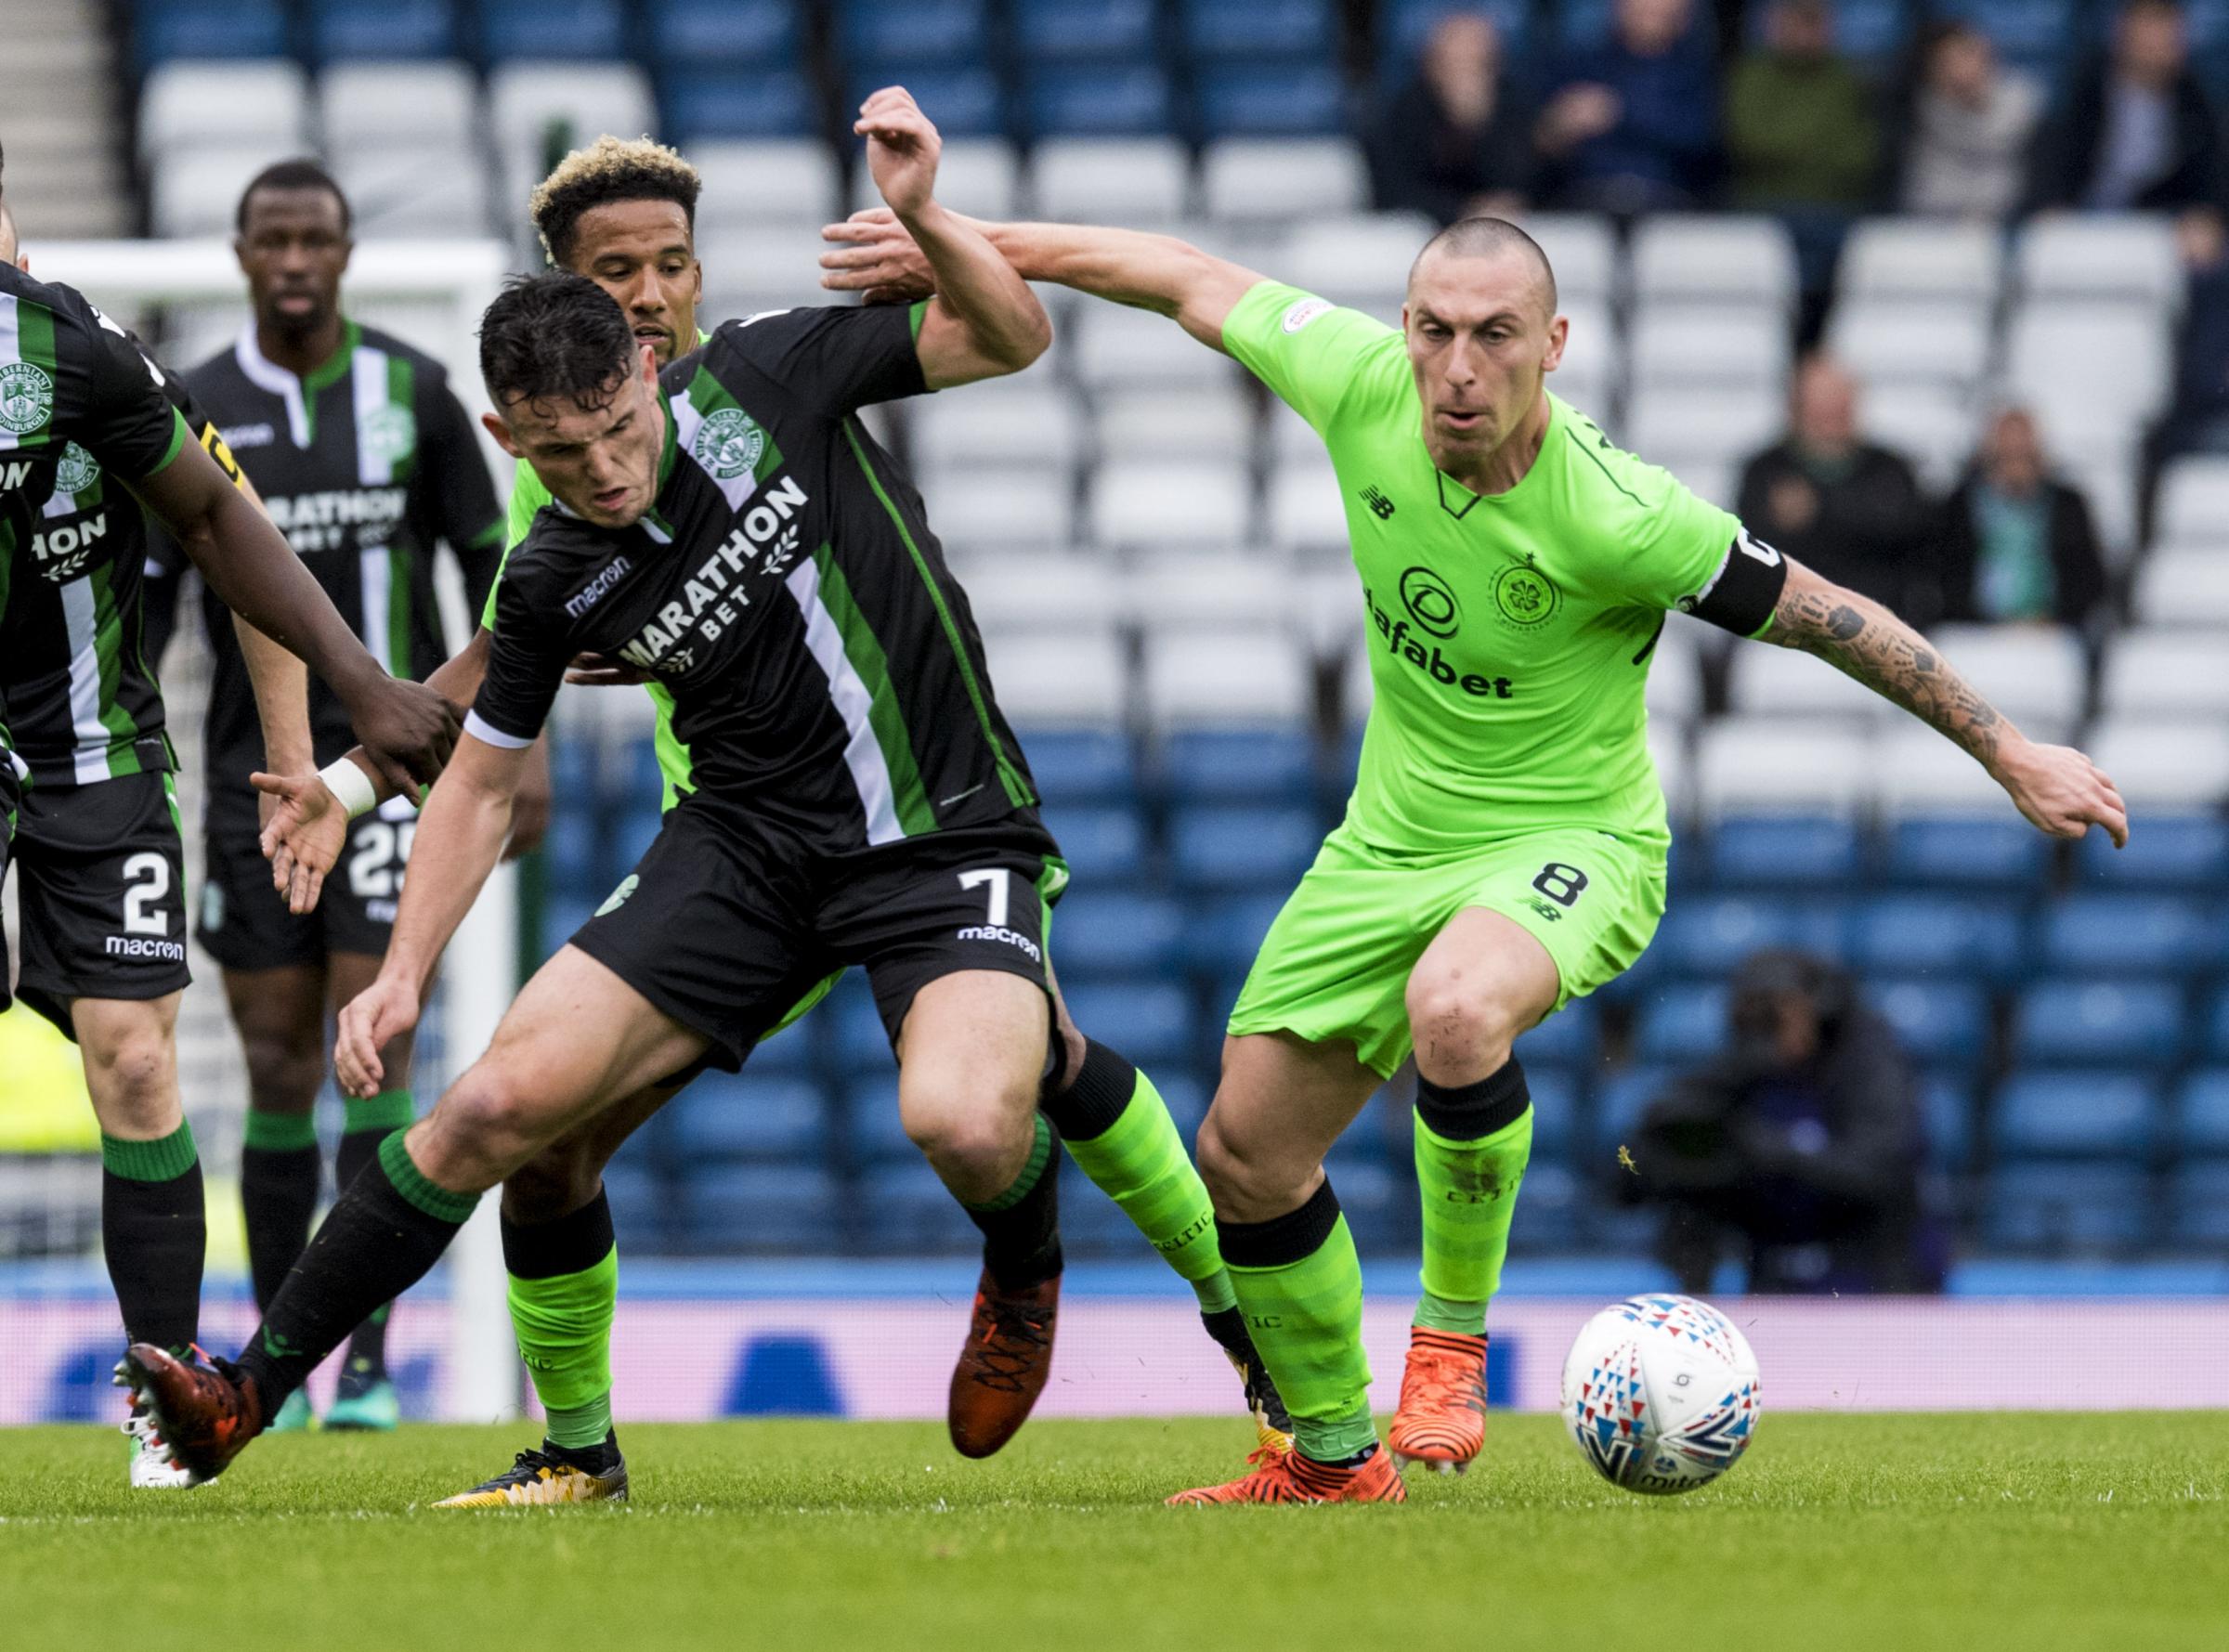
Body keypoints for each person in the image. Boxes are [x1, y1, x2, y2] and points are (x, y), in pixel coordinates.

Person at [815, 201, 2126, 1504]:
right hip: (1387, 843)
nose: (1456, 367)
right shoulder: (1359, 381)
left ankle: (1450, 1338)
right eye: (1435, 330)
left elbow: (1833, 616)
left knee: (1455, 1009)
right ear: (1403, 328)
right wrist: (970, 237)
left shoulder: (1622, 513)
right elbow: (1183, 274)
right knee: (1245, 1153)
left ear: (1553, 343)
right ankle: (1333, 1456)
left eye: (1493, 336)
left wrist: (2009, 747)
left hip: (1576, 841)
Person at [120, 90, 1285, 1492]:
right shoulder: (553, 565)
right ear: (509, 436)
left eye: (618, 427)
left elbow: (1015, 333)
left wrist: (928, 215)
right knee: (509, 1113)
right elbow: (480, 769)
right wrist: (403, 970)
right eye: (564, 455)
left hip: (933, 826)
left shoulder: (767, 373)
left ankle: (1039, 1268)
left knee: (971, 1114)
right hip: (738, 850)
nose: (604, 473)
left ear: (644, 360)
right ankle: (282, 1399)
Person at [0, 142, 458, 1487]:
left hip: (98, 751)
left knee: (138, 1061)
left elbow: (222, 523)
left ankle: (164, 1402)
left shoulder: (76, 355)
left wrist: (307, 729)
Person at [137, 161, 515, 1436]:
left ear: (346, 253)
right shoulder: (197, 403)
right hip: (251, 785)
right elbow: (152, 594)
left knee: (375, 1051)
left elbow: (499, 569)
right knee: (278, 1063)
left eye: (317, 241)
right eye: (272, 241)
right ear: (241, 255)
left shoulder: (414, 392)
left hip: (386, 777)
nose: (295, 261)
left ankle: (365, 1364)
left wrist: (525, 751)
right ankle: (274, 1350)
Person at [1621, 950, 1949, 1294]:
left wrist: (1770, 1150)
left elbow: (1879, 1170)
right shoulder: (1743, 1067)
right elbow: (1635, 1169)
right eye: (1750, 1012)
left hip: (1876, 1280)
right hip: (1776, 1282)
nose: (1763, 1025)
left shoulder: (1867, 1060)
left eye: (1777, 1010)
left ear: (1819, 1008)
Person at [2023, 0, 2228, 269]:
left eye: (2169, 29)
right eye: (2150, 28)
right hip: (2082, 218)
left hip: (2157, 226)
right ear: (2123, 32)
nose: (2160, 40)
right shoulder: (2086, 87)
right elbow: (2052, 156)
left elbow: (2210, 175)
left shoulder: (2194, 98)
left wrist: (2206, 218)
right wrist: (2048, 206)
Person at [1725, 0, 1881, 325]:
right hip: (1765, 205)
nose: (1806, 33)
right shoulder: (1752, 74)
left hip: (1835, 208)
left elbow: (1860, 155)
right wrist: (1818, 141)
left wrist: (1793, 141)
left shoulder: (1846, 77)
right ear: (1775, 25)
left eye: (1815, 23)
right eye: (1798, 21)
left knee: (1870, 272)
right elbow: (1750, 142)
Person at [1736, 353, 1929, 613]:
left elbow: (1908, 536)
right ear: (1795, 407)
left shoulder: (1891, 468)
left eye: (1838, 403)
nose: (1830, 414)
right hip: (1788, 619)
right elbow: (1753, 546)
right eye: (1819, 405)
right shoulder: (1764, 470)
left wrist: (1817, 509)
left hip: (1878, 618)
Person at [1536, 0, 1720, 215]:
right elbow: (1542, 141)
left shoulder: (1696, 71)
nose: (1649, 7)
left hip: (1671, 205)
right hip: (1585, 201)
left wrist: (1618, 113)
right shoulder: (1579, 65)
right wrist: (1559, 127)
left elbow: (1702, 138)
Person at [1930, 407, 2108, 627]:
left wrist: (2052, 619)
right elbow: (1943, 575)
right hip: (1974, 631)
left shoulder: (2069, 506)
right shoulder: (1958, 507)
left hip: (2052, 632)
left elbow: (2089, 579)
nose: (2015, 460)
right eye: (2007, 453)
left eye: (2022, 453)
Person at [1366, 11, 1536, 225]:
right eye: (1455, 62)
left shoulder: (1513, 104)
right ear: (1432, 65)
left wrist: (1478, 129)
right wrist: (1462, 210)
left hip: (1504, 227)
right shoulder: (1402, 111)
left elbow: (1524, 185)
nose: (1467, 74)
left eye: (1479, 64)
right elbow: (1393, 191)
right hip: (1426, 229)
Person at [1897, 21, 2043, 220]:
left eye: (1970, 54)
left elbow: (2044, 195)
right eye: (1949, 60)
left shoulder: (2026, 107)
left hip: (2012, 227)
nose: (1965, 67)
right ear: (1932, 68)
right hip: (1929, 228)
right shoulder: (1912, 114)